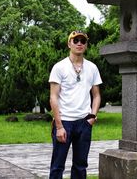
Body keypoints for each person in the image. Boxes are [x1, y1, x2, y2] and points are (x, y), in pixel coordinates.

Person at [49, 30, 102, 179]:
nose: (79, 43)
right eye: (76, 40)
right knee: (57, 166)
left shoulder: (92, 67)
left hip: (84, 123)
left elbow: (96, 95)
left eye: (83, 41)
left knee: (80, 166)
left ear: (86, 45)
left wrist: (92, 116)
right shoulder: (59, 67)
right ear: (69, 44)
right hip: (64, 122)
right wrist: (59, 126)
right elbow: (53, 97)